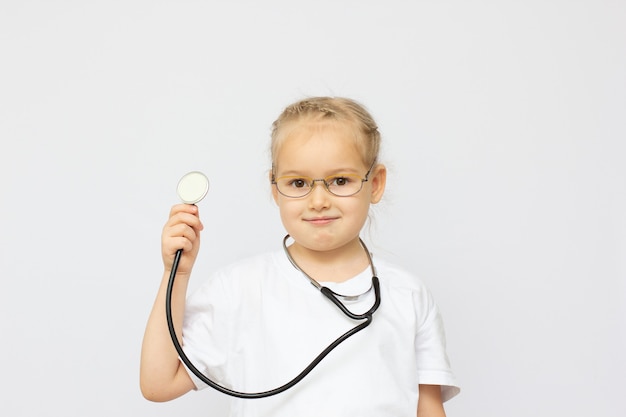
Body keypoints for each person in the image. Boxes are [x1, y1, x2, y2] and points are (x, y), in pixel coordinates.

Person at [140, 96, 460, 416]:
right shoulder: (238, 289)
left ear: (374, 184)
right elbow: (159, 384)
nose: (318, 200)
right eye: (298, 182)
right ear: (275, 188)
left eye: (339, 180)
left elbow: (427, 407)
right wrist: (176, 275)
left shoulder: (408, 294)